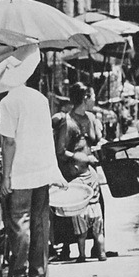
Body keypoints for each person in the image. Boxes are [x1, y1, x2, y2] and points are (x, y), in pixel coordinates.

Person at [0, 65, 65, 277]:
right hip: (40, 169)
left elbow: (8, 142)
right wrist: (52, 170)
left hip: (20, 172)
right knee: (40, 224)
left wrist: (6, 176)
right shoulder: (40, 99)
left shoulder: (7, 102)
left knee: (20, 224)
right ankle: (39, 276)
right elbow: (47, 135)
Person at [55, 82, 105, 262]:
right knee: (75, 215)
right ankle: (70, 249)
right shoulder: (67, 123)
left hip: (91, 173)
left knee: (98, 210)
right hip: (74, 174)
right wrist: (83, 158)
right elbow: (60, 151)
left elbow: (96, 140)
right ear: (85, 98)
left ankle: (98, 248)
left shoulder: (90, 118)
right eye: (92, 97)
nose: (94, 100)